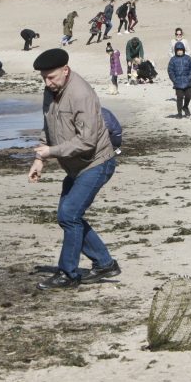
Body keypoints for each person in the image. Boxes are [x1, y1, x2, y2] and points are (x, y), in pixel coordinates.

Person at [28, 48, 120, 290]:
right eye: (44, 78)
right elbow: (48, 126)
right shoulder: (51, 91)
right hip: (74, 166)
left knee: (69, 215)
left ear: (65, 70)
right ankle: (105, 263)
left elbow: (87, 141)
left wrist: (52, 152)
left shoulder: (81, 95)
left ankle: (68, 274)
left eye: (52, 77)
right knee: (68, 216)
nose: (48, 83)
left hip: (97, 162)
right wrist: (40, 159)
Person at [167, 41, 191, 118]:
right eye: (178, 50)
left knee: (189, 95)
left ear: (183, 50)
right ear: (175, 51)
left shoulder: (188, 58)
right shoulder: (173, 60)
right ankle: (179, 112)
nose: (179, 51)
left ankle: (185, 107)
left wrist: (190, 77)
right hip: (178, 82)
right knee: (179, 97)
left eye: (181, 50)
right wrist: (174, 80)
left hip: (187, 81)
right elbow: (170, 70)